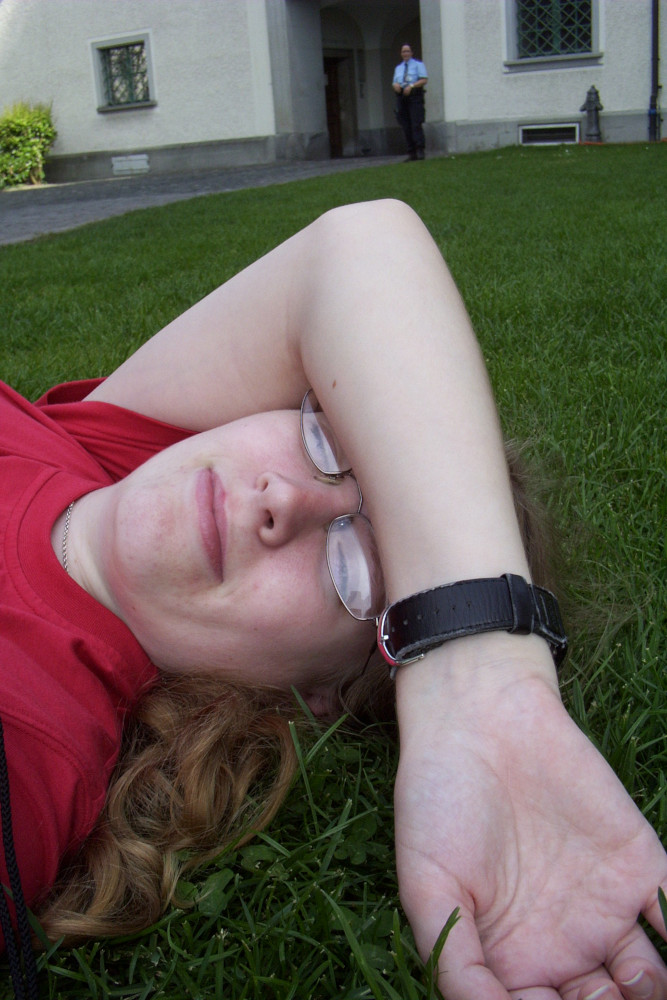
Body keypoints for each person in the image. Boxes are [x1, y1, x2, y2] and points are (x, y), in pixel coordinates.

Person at [1, 200, 666, 1000]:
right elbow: (359, 246)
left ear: (311, 698)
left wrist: (480, 702)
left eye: (346, 567)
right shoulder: (89, 444)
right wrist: (485, 651)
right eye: (325, 444)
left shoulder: (34, 732)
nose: (284, 499)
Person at [392, 44, 428, 160]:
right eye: (403, 52)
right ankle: (411, 152)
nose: (405, 53)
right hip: (402, 96)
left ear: (412, 53)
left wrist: (412, 86)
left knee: (415, 123)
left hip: (414, 96)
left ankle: (420, 150)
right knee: (405, 125)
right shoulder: (398, 68)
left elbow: (424, 80)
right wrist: (395, 85)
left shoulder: (418, 65)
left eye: (407, 51)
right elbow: (394, 82)